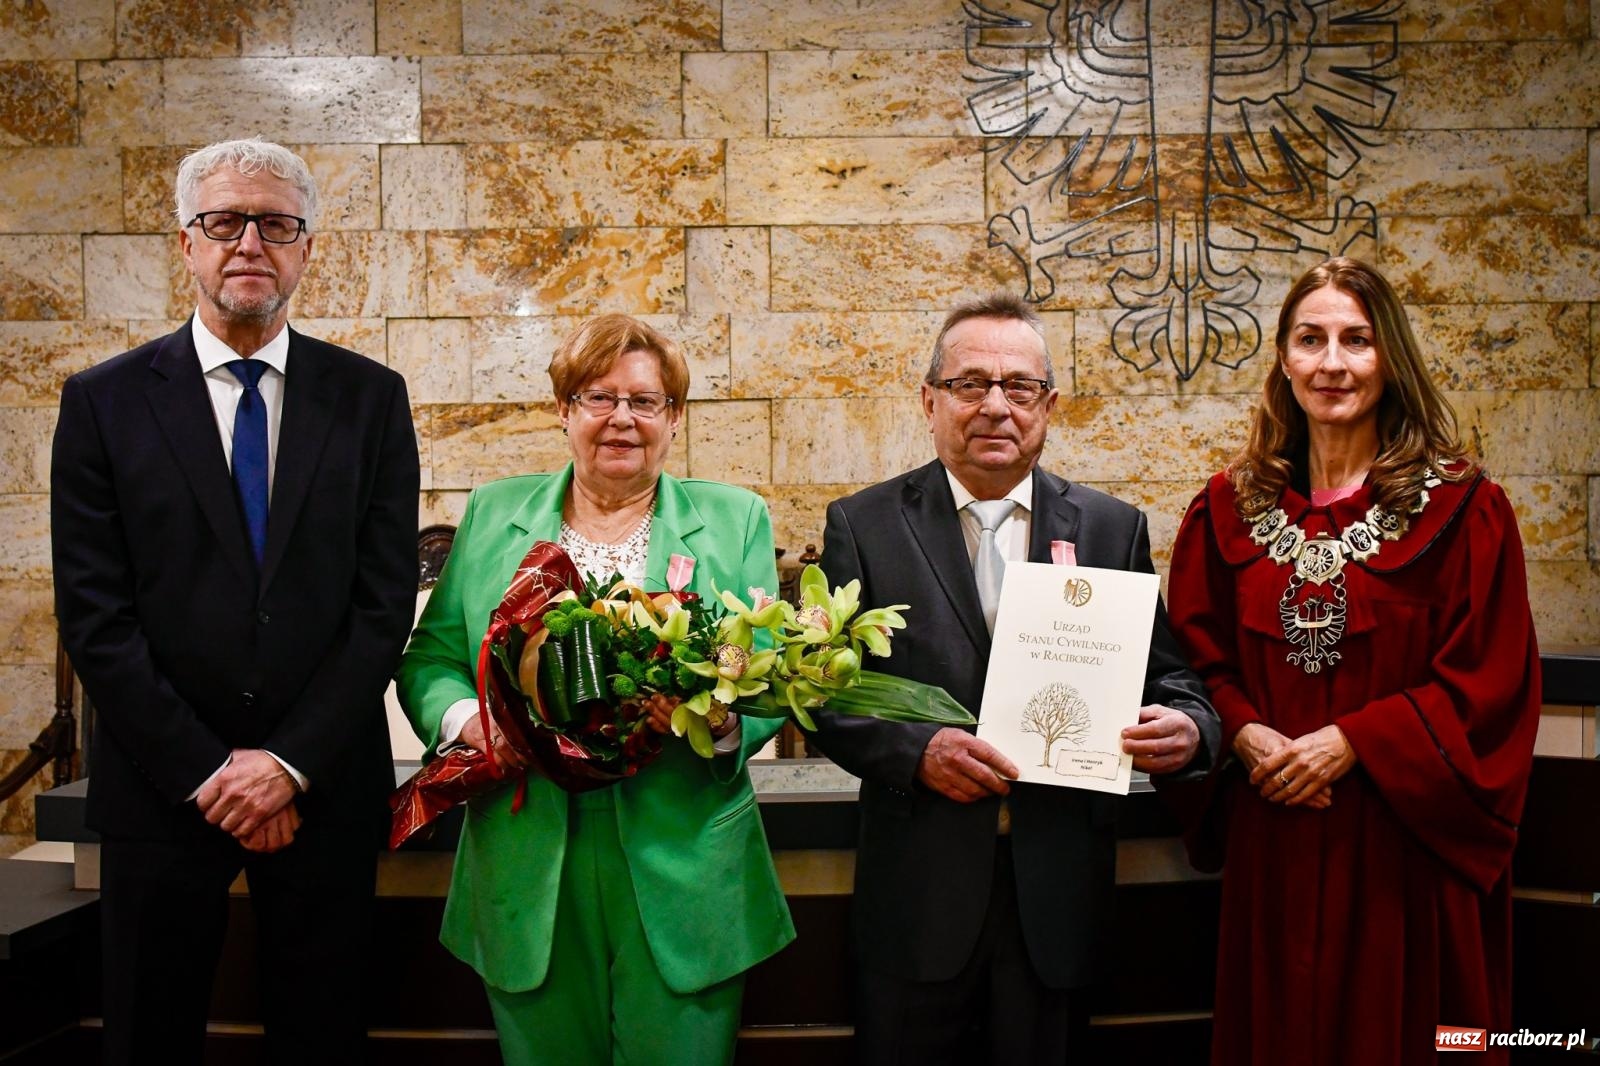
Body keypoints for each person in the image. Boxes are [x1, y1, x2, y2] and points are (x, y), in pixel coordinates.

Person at [50, 138, 420, 1063]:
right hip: (164, 786)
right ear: (187, 244)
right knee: (149, 1036)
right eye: (224, 220)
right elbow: (96, 617)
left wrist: (287, 764)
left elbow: (381, 605)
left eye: (277, 223)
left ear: (305, 247)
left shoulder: (371, 400)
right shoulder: (103, 403)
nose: (250, 241)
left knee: (323, 1034)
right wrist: (215, 771)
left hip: (320, 785)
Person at [807, 292, 1219, 1064]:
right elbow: (822, 696)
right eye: (969, 384)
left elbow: (1174, 683)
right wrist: (915, 752)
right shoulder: (862, 526)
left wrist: (1189, 727)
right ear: (929, 401)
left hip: (1056, 896)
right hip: (918, 896)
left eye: (1018, 386)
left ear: (1049, 404)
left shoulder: (1110, 527)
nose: (995, 405)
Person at [1166, 256, 1540, 1065]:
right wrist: (1243, 732)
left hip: (1404, 846)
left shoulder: (1467, 509)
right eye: (1311, 339)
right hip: (1276, 840)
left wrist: (1357, 742)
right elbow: (1197, 662)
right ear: (1284, 359)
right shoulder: (1225, 511)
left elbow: (1492, 684)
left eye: (1357, 340)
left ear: (1390, 357)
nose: (1332, 362)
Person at [396, 313, 795, 1065]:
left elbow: (768, 671)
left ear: (674, 418)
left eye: (645, 402)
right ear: (564, 410)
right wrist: (467, 721)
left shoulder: (734, 516)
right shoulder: (491, 513)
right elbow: (430, 658)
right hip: (528, 854)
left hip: (682, 860)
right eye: (597, 397)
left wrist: (719, 718)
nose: (621, 419)